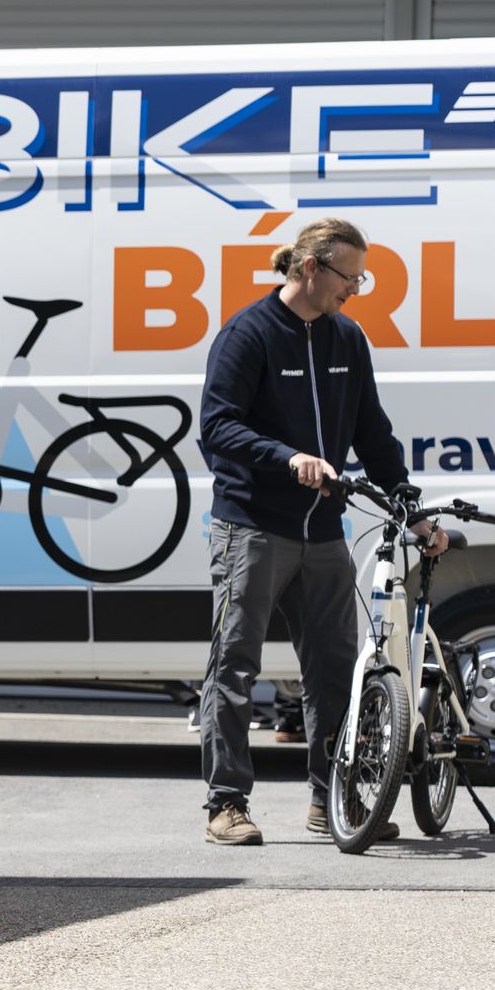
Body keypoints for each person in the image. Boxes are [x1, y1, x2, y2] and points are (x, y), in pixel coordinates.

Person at [196, 218, 448, 846]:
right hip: (252, 527)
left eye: (362, 278)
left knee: (336, 671)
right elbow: (217, 427)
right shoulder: (248, 334)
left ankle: (332, 799)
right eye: (349, 277)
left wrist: (411, 509)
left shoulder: (347, 339)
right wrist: (287, 458)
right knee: (235, 665)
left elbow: (373, 432)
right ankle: (226, 804)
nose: (355, 290)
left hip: (326, 532)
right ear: (309, 267)